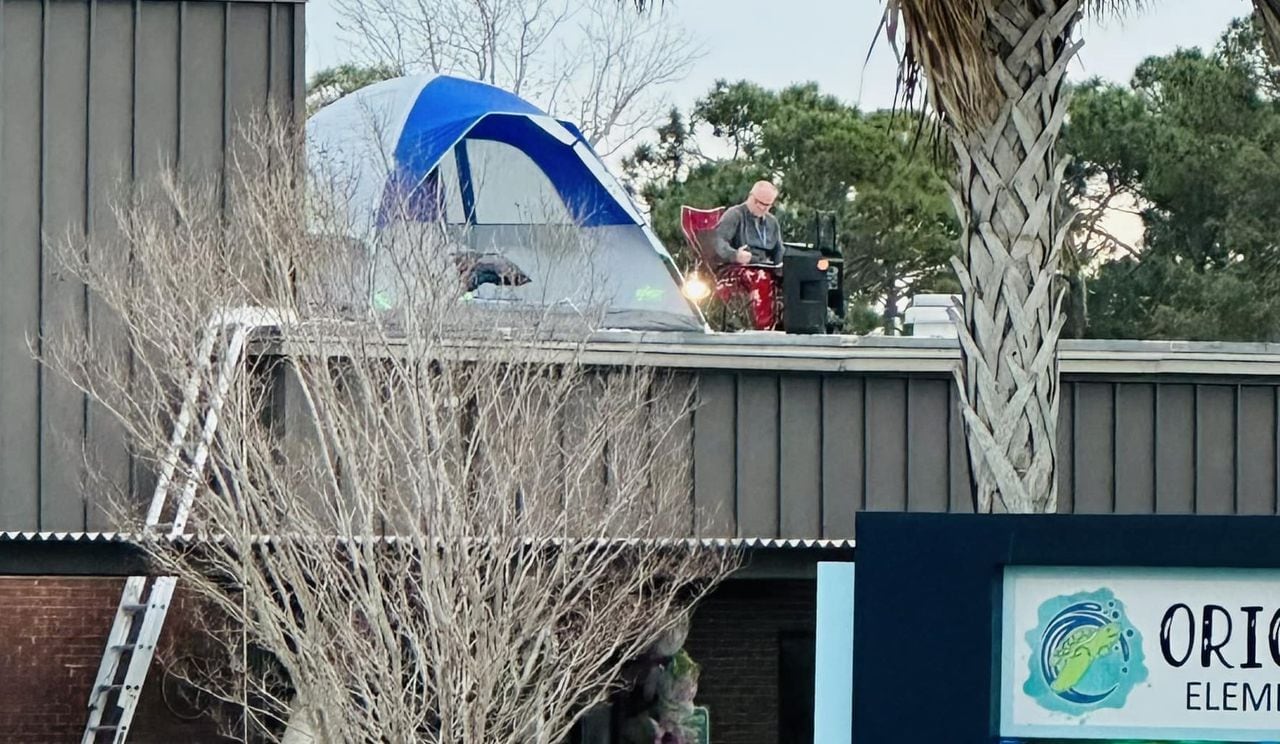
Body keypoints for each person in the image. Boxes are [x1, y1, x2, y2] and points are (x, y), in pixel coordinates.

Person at [712, 181, 784, 329]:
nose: (762, 208)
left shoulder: (772, 222)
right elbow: (718, 242)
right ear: (751, 196)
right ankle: (763, 328)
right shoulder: (735, 214)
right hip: (736, 267)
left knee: (793, 279)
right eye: (759, 203)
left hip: (764, 265)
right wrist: (735, 255)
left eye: (767, 205)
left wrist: (784, 267)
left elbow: (779, 250)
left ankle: (785, 324)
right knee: (759, 277)